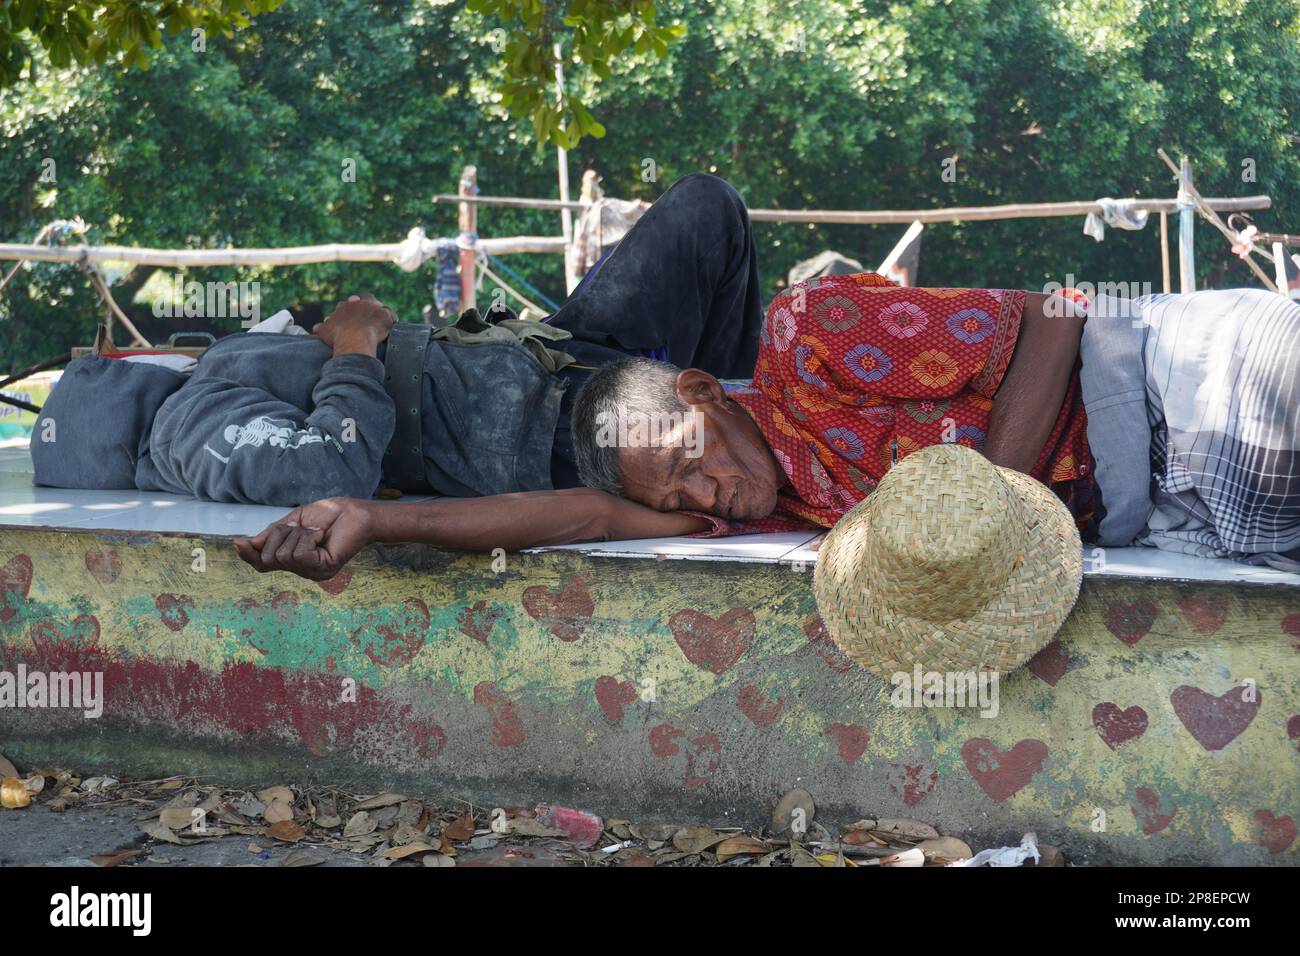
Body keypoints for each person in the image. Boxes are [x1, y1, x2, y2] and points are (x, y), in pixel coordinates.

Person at [233, 175, 1105, 579]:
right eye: (684, 489)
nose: (711, 493)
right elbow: (579, 513)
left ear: (701, 392)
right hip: (1139, 498)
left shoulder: (813, 337)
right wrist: (373, 521)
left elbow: (1061, 309)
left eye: (696, 458)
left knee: (705, 206)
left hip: (1146, 389)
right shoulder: (747, 509)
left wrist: (988, 501)